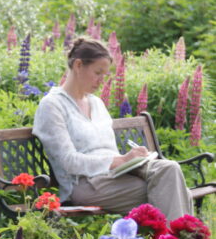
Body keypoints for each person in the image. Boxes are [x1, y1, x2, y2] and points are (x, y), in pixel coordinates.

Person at [33, 37, 193, 221]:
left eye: (105, 74)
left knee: (170, 169)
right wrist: (120, 160)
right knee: (174, 190)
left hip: (115, 176)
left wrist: (132, 159)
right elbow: (69, 162)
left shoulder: (96, 103)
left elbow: (109, 151)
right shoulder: (52, 105)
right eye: (98, 72)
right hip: (86, 184)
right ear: (78, 65)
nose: (102, 80)